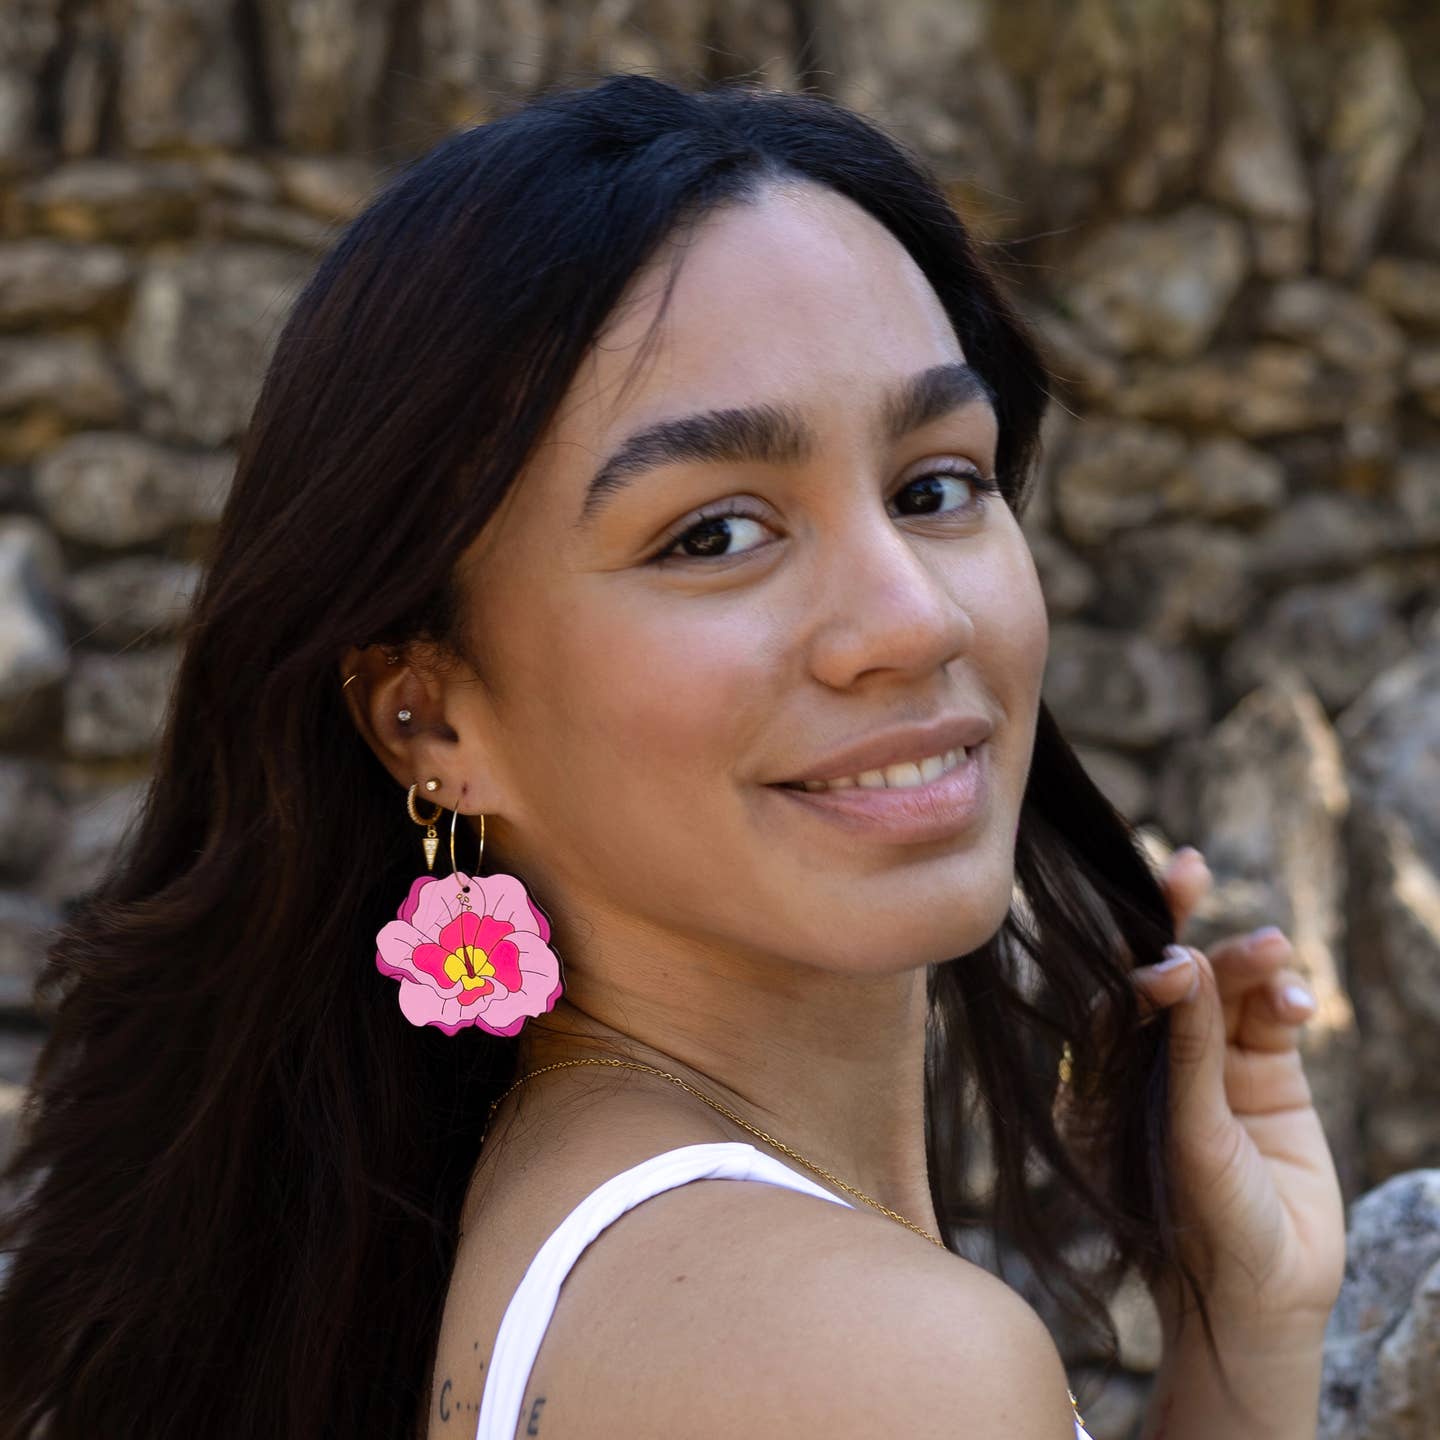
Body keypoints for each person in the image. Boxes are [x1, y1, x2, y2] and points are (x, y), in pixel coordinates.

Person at [0, 74, 1344, 1439]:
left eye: (937, 487)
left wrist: (1246, 1341)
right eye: (713, 534)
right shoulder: (858, 1363)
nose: (912, 618)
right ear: (434, 722)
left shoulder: (549, 1223)